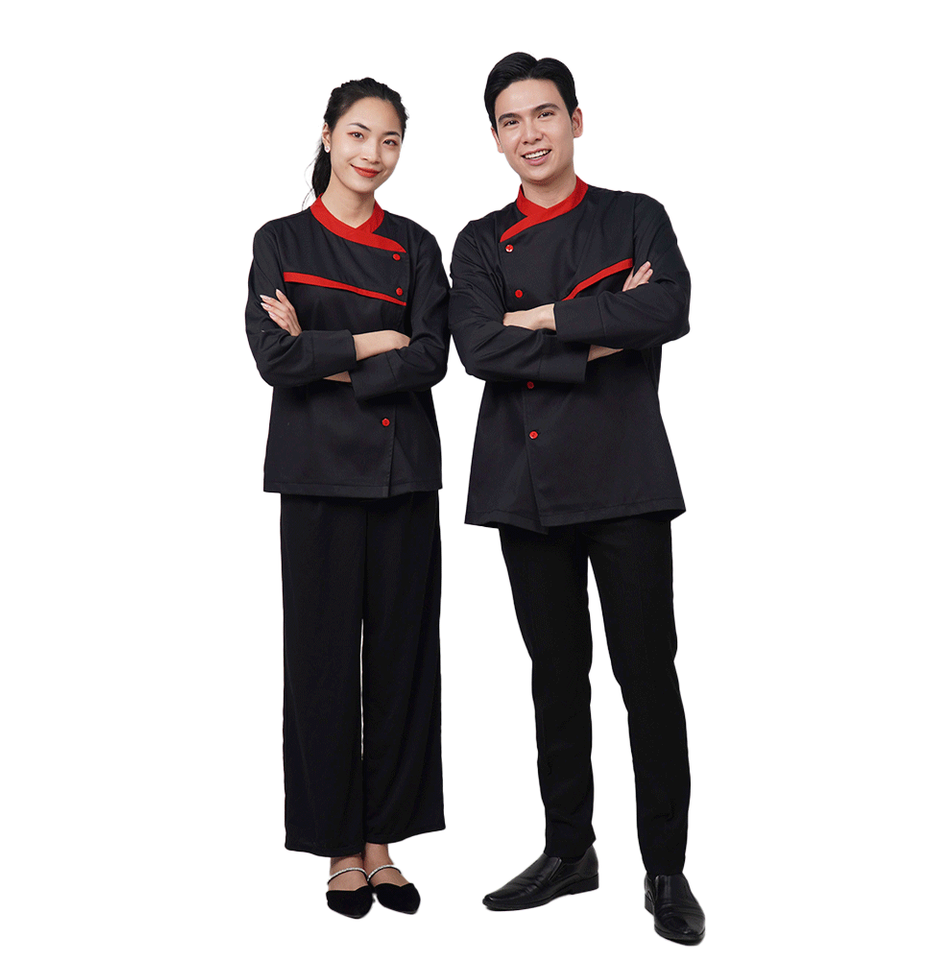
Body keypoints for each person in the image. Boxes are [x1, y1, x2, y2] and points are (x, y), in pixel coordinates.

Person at [449, 53, 705, 945]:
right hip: (526, 489)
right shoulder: (479, 241)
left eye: (545, 114)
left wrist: (542, 317)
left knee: (648, 675)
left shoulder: (636, 216)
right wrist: (601, 328)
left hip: (626, 477)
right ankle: (569, 853)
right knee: (555, 676)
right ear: (495, 138)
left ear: (577, 120)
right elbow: (478, 348)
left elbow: (667, 310)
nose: (530, 134)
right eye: (511, 121)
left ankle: (665, 868)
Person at [245, 78, 449, 919]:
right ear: (328, 135)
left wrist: (322, 352)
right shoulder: (280, 239)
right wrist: (372, 340)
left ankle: (383, 844)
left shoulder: (416, 244)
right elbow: (273, 358)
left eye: (390, 140)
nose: (374, 153)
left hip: (405, 477)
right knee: (323, 664)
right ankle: (338, 848)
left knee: (403, 660)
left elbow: (431, 357)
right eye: (359, 134)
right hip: (316, 478)